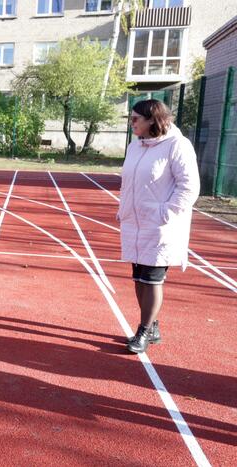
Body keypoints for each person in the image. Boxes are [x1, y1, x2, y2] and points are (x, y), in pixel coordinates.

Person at [118, 99, 199, 354]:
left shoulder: (177, 146)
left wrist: (166, 212)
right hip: (134, 222)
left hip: (161, 225)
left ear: (152, 119)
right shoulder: (135, 146)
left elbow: (189, 187)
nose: (131, 124)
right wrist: (123, 209)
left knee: (152, 279)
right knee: (139, 279)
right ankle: (151, 324)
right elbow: (128, 182)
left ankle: (143, 331)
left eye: (135, 119)